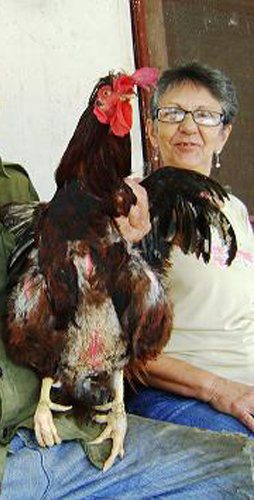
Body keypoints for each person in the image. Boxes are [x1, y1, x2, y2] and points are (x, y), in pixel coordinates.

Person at [0, 4, 252, 497]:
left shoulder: (11, 187)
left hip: (65, 441)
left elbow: (80, 301)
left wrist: (127, 246)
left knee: (241, 470)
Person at [127, 62, 254, 438]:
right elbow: (114, 346)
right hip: (182, 395)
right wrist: (218, 390)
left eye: (205, 115)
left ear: (224, 134)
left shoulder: (234, 208)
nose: (188, 126)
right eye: (172, 113)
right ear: (151, 129)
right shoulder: (135, 208)